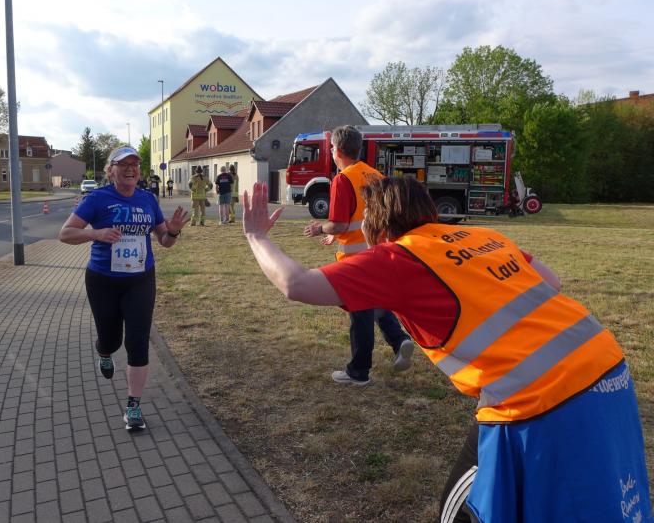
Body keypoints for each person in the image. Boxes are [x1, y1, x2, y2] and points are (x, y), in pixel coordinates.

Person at [242, 177, 652, 523]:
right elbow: (552, 281)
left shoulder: (397, 257)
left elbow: (296, 284)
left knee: (465, 510)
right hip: (607, 365)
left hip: (537, 396)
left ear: (378, 222)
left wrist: (256, 236)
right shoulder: (483, 235)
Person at [58, 146, 189, 431]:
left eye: (135, 164)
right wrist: (95, 233)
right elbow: (65, 234)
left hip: (140, 279)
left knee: (137, 341)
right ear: (111, 171)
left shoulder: (148, 199)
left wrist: (173, 230)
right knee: (111, 340)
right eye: (123, 164)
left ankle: (133, 406)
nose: (130, 169)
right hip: (103, 280)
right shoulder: (97, 199)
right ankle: (104, 352)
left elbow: (164, 241)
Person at [303, 125, 413, 386]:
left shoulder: (342, 180)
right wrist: (338, 233)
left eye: (331, 148)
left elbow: (340, 224)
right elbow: (365, 218)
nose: (330, 152)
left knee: (359, 311)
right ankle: (399, 340)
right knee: (373, 301)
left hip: (355, 258)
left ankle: (359, 372)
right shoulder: (375, 175)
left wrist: (320, 229)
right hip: (379, 251)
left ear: (339, 151)